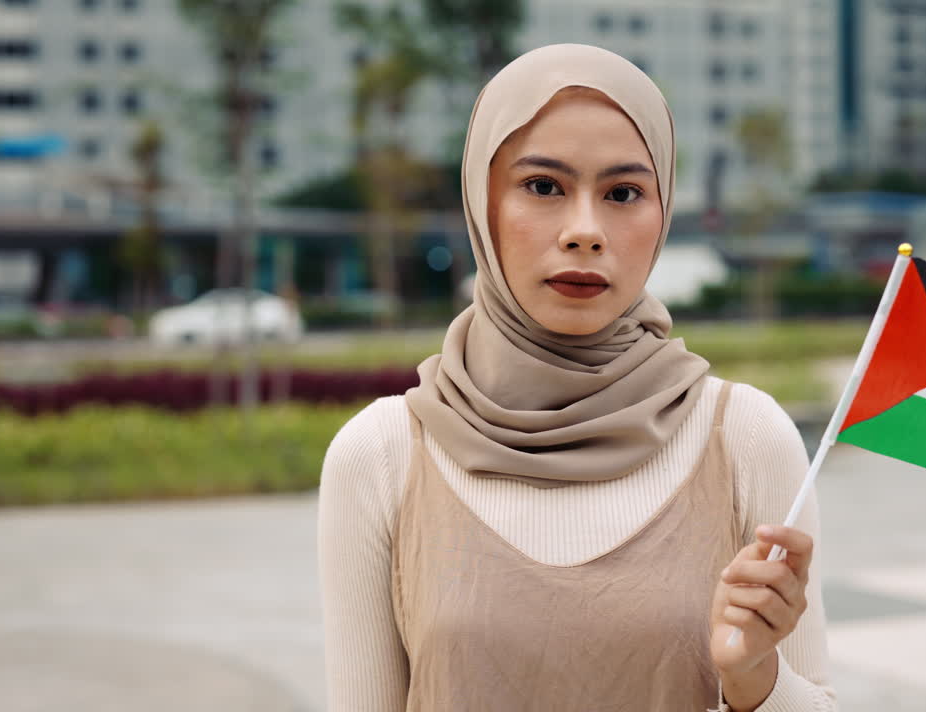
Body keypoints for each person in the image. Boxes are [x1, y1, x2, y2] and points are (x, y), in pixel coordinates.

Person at [318, 43, 838, 712]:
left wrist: (755, 679)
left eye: (623, 193)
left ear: (663, 210)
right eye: (543, 186)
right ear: (483, 201)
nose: (585, 231)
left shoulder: (742, 437)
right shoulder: (383, 456)